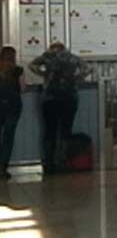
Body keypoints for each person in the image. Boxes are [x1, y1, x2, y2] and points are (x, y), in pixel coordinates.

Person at [29, 42, 91, 175]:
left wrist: (44, 74)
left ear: (52, 48)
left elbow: (31, 66)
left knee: (49, 131)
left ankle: (48, 163)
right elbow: (87, 68)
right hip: (69, 98)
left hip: (50, 98)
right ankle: (63, 162)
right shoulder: (72, 57)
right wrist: (76, 77)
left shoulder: (47, 57)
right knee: (65, 131)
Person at [0, 47, 26, 179]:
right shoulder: (18, 70)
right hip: (13, 107)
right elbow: (23, 88)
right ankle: (3, 169)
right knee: (8, 139)